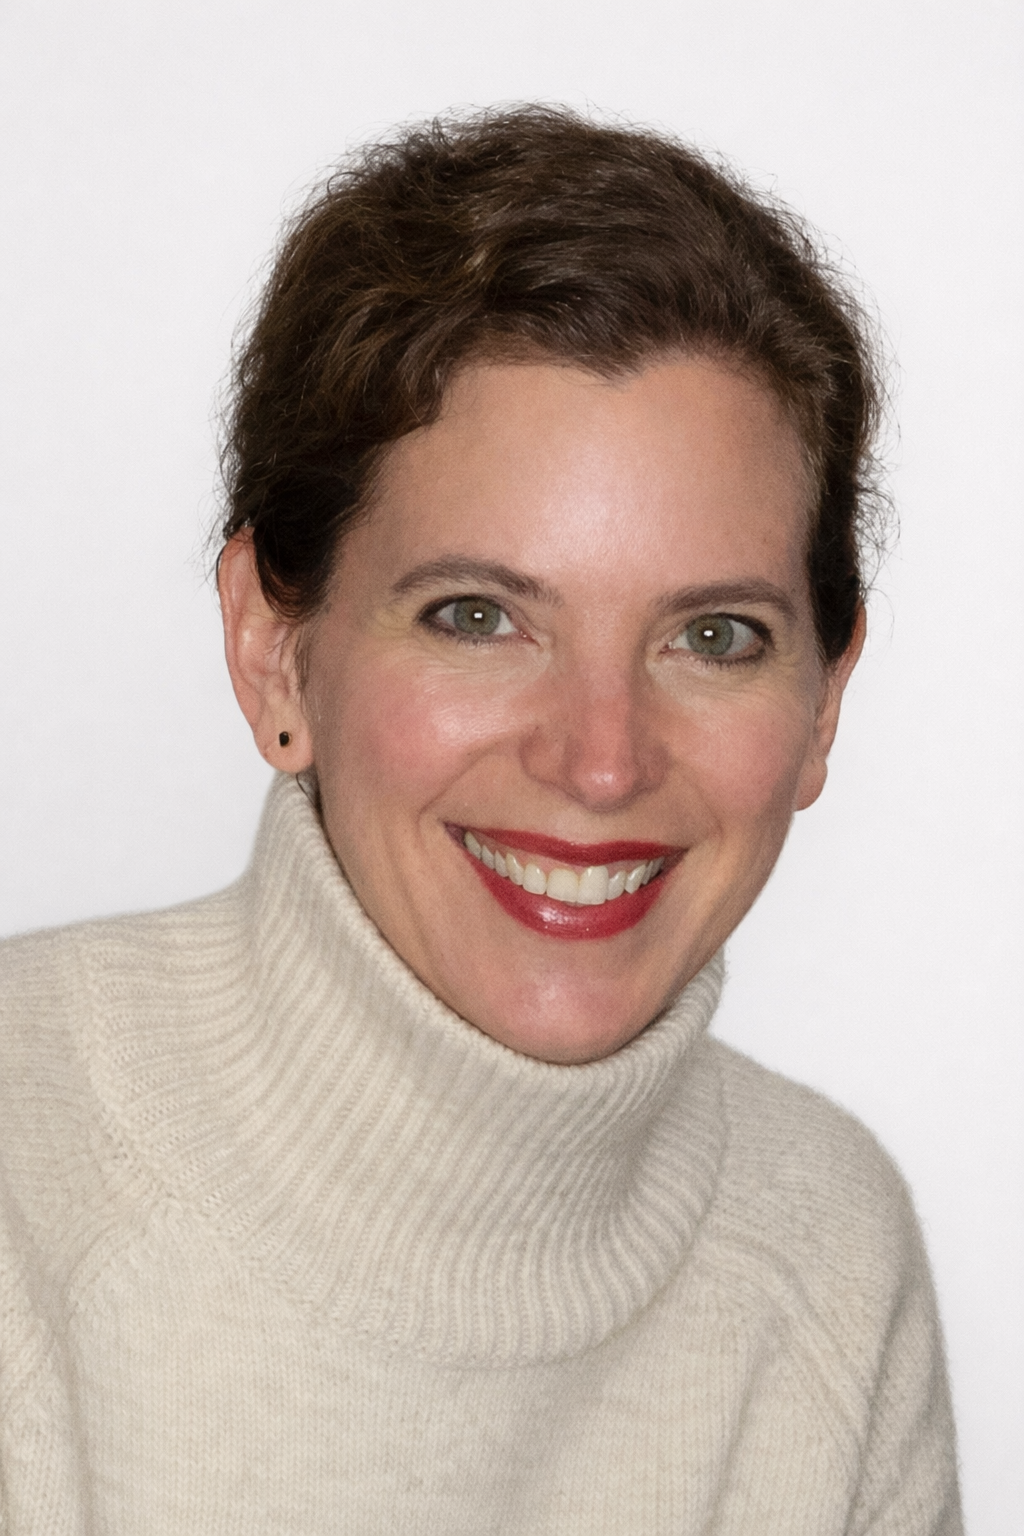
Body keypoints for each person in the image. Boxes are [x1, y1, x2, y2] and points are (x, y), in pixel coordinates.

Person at [0, 107, 960, 1533]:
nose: (600, 762)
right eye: (477, 615)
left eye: (715, 637)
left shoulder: (824, 1248)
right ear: (275, 649)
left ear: (824, 703)